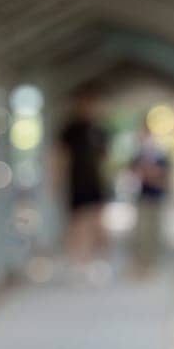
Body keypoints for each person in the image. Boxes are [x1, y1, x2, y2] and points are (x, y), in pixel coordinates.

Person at [56, 93, 110, 279]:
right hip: (76, 183)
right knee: (78, 224)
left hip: (96, 184)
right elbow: (61, 157)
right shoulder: (71, 129)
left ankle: (92, 261)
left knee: (97, 223)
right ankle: (77, 262)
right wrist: (57, 181)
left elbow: (105, 160)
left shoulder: (101, 131)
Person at [129, 123, 171, 278]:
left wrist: (151, 174)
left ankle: (151, 263)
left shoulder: (161, 156)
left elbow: (162, 176)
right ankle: (141, 263)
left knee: (154, 232)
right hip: (143, 198)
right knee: (141, 232)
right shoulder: (137, 156)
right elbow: (134, 174)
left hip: (156, 197)